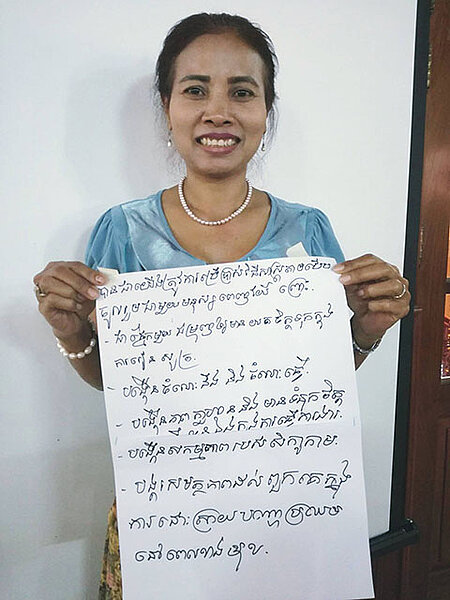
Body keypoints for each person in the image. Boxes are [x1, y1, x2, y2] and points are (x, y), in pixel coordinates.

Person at [33, 13, 410, 599]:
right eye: (195, 90)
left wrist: (366, 331)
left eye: (242, 91)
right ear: (167, 107)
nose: (218, 111)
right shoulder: (124, 230)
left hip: (284, 511)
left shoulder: (306, 231)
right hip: (164, 516)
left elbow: (316, 384)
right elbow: (116, 381)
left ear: (266, 110)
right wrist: (70, 332)